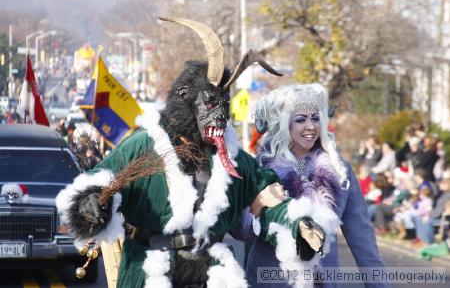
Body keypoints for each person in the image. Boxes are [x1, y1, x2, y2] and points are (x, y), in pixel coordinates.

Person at [55, 18, 325, 288]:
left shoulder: (234, 161)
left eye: (223, 105)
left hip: (214, 273)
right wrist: (91, 204)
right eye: (210, 103)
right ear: (186, 97)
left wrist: (299, 227)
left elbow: (268, 202)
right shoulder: (144, 145)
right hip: (152, 270)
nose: (219, 116)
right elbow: (100, 180)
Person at [241, 83, 389, 288]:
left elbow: (362, 237)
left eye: (315, 118)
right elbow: (241, 230)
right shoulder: (259, 169)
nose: (310, 126)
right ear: (284, 125)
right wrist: (258, 204)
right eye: (300, 119)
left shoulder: (340, 171)